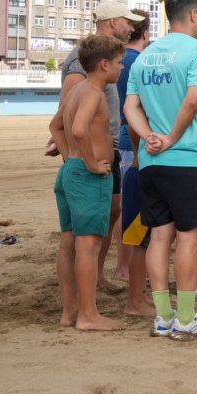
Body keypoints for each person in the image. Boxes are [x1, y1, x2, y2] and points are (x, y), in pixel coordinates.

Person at [124, 0, 197, 340]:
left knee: (158, 237)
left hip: (153, 161)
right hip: (189, 158)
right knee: (189, 238)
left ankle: (163, 317)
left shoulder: (147, 55)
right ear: (195, 15)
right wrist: (170, 137)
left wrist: (150, 135)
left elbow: (130, 107)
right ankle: (184, 319)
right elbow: (195, 100)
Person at [54, 0, 142, 291]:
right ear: (112, 22)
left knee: (110, 212)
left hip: (102, 151)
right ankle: (89, 284)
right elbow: (69, 106)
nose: (131, 27)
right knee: (86, 231)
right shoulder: (84, 61)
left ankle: (96, 276)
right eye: (127, 21)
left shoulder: (102, 57)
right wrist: (76, 158)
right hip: (91, 157)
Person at [48, 34, 127, 331]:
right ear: (104, 64)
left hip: (71, 172)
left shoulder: (77, 89)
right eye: (119, 64)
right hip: (88, 176)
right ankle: (88, 315)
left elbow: (55, 125)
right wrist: (91, 162)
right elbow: (79, 129)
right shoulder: (93, 92)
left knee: (68, 244)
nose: (121, 69)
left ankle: (69, 312)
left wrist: (71, 158)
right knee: (87, 246)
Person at [113, 17, 153, 313]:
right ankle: (128, 278)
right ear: (147, 33)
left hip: (125, 141)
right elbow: (135, 111)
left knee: (127, 215)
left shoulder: (120, 59)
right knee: (139, 223)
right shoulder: (139, 62)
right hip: (134, 144)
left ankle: (122, 268)